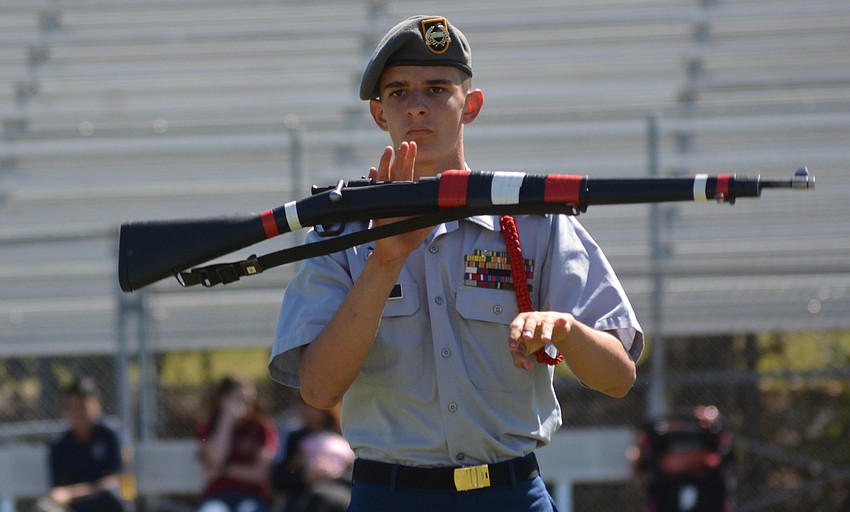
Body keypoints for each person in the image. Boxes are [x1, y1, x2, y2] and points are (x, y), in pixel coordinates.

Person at [269, 14, 643, 511]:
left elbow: (618, 377)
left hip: (511, 493)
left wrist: (567, 330)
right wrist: (384, 261)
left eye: (437, 88)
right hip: (391, 497)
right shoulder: (342, 232)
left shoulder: (533, 220)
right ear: (379, 113)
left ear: (471, 105)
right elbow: (319, 390)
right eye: (398, 92)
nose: (417, 105)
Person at [41, 376, 127, 512]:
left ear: (97, 405)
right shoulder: (59, 445)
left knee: (112, 498)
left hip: (107, 504)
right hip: (76, 508)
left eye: (82, 407)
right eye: (71, 407)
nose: (78, 413)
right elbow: (58, 492)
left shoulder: (110, 435)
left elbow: (119, 481)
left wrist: (74, 493)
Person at [196, 375, 279, 512]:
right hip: (217, 496)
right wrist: (226, 420)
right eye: (238, 400)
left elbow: (261, 474)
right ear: (222, 400)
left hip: (252, 497)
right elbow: (216, 459)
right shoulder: (208, 427)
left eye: (249, 402)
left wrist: (224, 470)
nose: (245, 406)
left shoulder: (261, 428)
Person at [272, 400, 353, 512]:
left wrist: (335, 473)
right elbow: (280, 478)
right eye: (301, 403)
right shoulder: (294, 438)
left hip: (338, 492)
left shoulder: (345, 435)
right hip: (303, 497)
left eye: (308, 405)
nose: (303, 409)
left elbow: (354, 471)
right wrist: (304, 476)